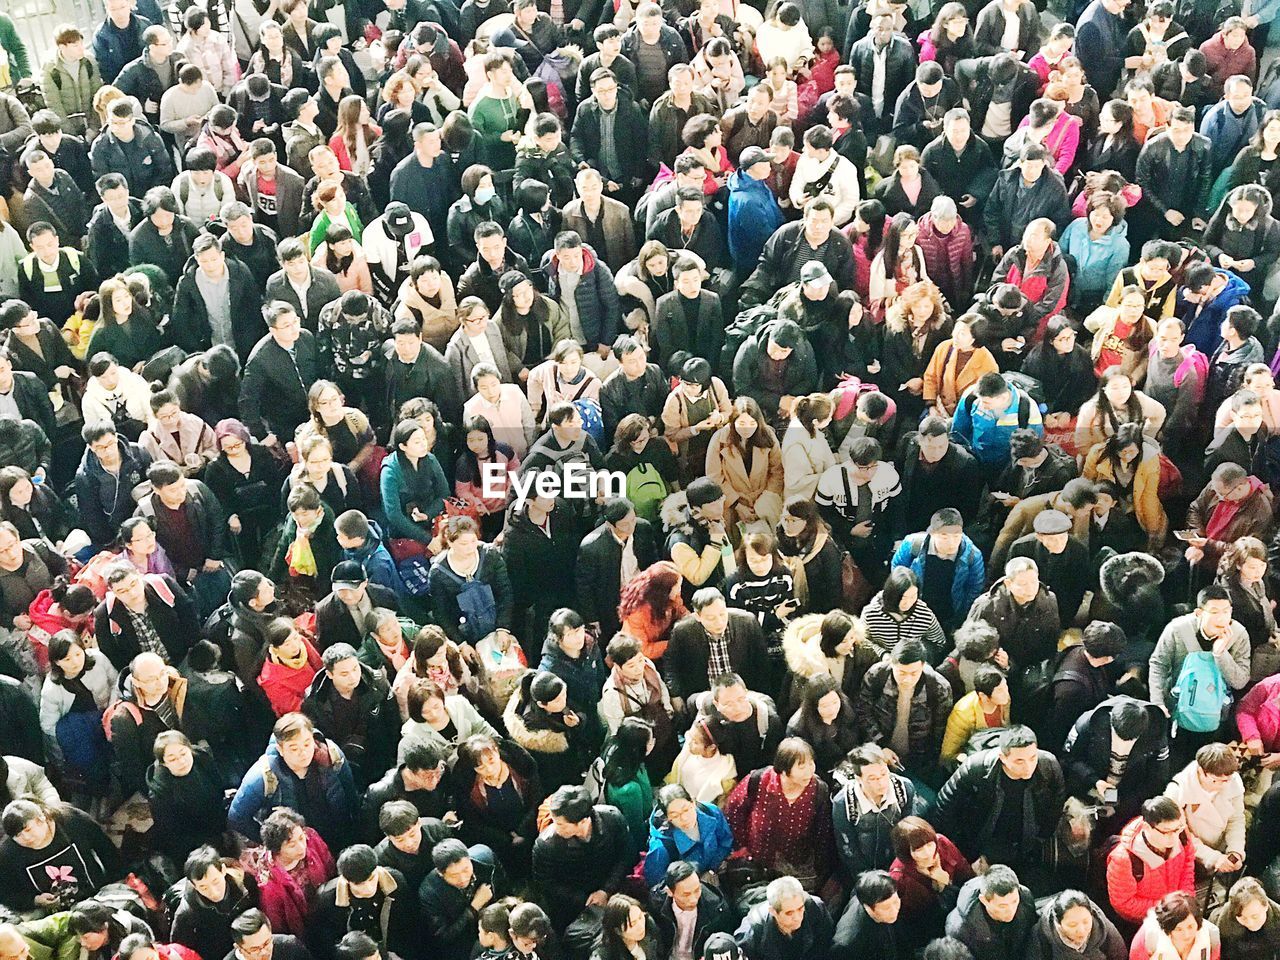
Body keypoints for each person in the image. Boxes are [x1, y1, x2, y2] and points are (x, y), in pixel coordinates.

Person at [935, 727, 1064, 877]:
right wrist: (955, 849)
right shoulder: (976, 768)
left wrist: (1042, 836)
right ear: (1003, 757)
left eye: (1032, 758)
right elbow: (946, 805)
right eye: (1019, 761)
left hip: (1023, 841)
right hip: (980, 840)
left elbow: (1057, 800)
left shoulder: (1048, 765)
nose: (1028, 766)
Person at [944, 866, 1037, 960]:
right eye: (1002, 906)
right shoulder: (960, 929)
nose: (1011, 910)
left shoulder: (1026, 901)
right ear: (984, 900)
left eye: (1014, 901)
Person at [733, 875, 833, 960]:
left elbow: (826, 946)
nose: (797, 917)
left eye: (800, 909)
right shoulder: (752, 932)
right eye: (789, 913)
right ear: (773, 911)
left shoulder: (815, 909)